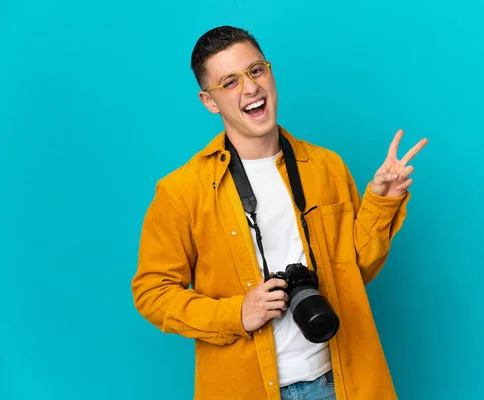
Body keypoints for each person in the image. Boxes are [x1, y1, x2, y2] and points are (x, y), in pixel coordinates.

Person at [131, 25, 427, 400]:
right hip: (247, 388)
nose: (251, 88)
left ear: (270, 73)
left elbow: (357, 270)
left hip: (338, 382)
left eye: (256, 71)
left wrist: (382, 201)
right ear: (209, 101)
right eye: (230, 82)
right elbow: (152, 293)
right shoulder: (181, 192)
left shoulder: (326, 166)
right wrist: (237, 313)